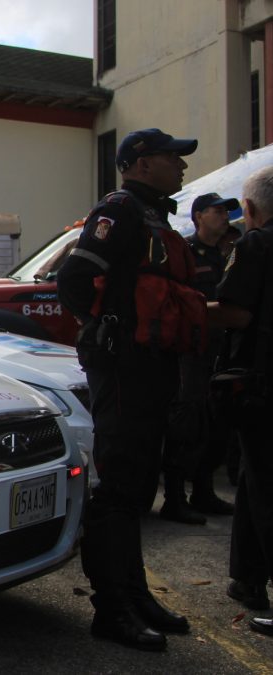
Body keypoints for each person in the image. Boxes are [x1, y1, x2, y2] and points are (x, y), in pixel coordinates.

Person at [57, 128, 200, 651]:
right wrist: (105, 330)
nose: (181, 166)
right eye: (172, 157)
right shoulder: (118, 210)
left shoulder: (153, 215)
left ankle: (135, 593)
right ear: (141, 163)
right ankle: (111, 608)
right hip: (124, 364)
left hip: (151, 363)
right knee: (118, 483)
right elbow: (72, 279)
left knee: (139, 481)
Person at [208, 164, 273, 636]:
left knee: (266, 486)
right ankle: (248, 579)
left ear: (248, 209)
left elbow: (235, 312)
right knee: (252, 481)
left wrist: (185, 309)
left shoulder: (256, 244)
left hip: (263, 383)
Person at [159, 193, 240, 524]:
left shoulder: (227, 255)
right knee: (187, 423)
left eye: (226, 211)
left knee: (216, 424)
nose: (224, 217)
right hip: (191, 353)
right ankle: (175, 498)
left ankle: (203, 491)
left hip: (219, 352)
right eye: (217, 211)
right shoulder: (186, 253)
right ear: (198, 216)